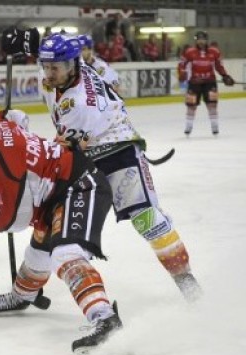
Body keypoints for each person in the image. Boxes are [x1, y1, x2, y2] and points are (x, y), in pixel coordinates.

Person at [16, 32, 201, 301]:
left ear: (71, 65)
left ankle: (188, 282)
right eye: (45, 66)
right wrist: (28, 46)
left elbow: (62, 150)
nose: (48, 72)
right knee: (51, 218)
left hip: (118, 153)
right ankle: (26, 290)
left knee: (146, 218)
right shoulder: (63, 69)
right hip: (88, 153)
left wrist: (19, 146)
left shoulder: (81, 105)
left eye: (54, 67)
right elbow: (63, 50)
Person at [0, 95, 121, 355]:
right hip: (53, 195)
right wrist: (8, 116)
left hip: (80, 186)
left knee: (65, 253)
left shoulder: (0, 163)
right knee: (37, 255)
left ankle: (105, 318)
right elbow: (15, 118)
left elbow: (14, 219)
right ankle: (24, 294)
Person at [177, 31, 234, 136]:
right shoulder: (189, 52)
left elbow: (219, 66)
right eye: (199, 39)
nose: (201, 42)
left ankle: (215, 126)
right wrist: (182, 73)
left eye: (203, 39)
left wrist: (225, 76)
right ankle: (188, 127)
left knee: (212, 105)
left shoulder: (214, 52)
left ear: (206, 40)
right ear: (196, 40)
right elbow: (182, 64)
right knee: (191, 105)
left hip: (210, 82)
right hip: (194, 83)